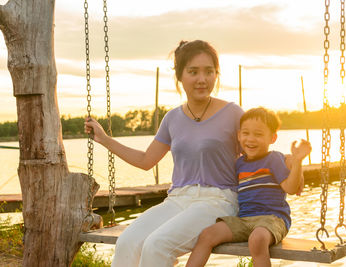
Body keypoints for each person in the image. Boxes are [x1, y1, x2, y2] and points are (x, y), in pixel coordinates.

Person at [84, 40, 245, 267]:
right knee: (127, 242)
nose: (202, 79)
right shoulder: (173, 118)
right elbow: (146, 160)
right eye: (193, 71)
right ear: (180, 76)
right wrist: (104, 139)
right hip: (178, 199)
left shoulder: (233, 113)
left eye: (209, 72)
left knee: (157, 245)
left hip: (218, 201)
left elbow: (258, 154)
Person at [185, 107, 311, 267]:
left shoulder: (274, 159)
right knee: (207, 235)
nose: (250, 139)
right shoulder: (238, 163)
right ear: (238, 135)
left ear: (272, 138)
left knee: (257, 239)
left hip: (272, 219)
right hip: (244, 220)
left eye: (258, 134)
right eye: (246, 133)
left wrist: (297, 163)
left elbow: (291, 188)